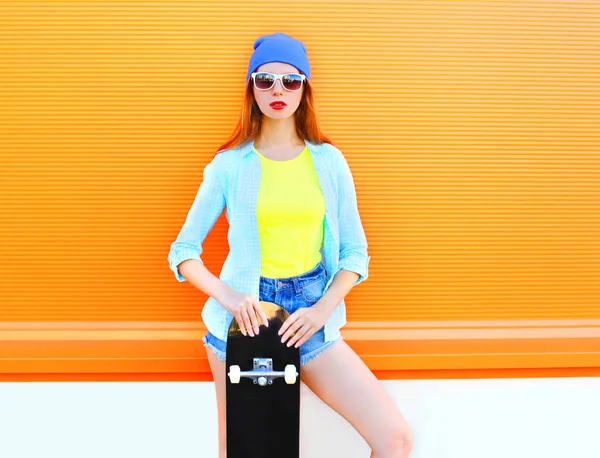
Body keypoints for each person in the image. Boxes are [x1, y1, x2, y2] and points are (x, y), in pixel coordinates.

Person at [168, 32, 413, 458]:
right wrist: (228, 296)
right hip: (243, 324)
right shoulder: (229, 165)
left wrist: (321, 311)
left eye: (290, 81)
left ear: (304, 88)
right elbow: (183, 251)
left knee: (394, 439)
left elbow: (356, 254)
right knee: (244, 452)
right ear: (252, 88)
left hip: (309, 314)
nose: (278, 91)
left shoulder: (328, 162)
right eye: (265, 80)